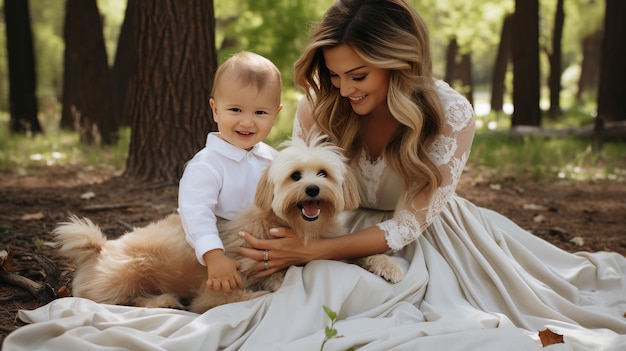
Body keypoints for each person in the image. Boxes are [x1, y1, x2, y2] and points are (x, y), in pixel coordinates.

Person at [4, 1, 625, 350]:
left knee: (442, 318)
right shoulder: (317, 107)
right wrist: (280, 245)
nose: (345, 89)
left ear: (397, 66)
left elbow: (410, 222)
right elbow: (295, 188)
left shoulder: (449, 111)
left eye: (361, 76)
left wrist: (317, 250)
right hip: (328, 224)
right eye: (335, 75)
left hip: (430, 238)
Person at [178, 51, 282, 294]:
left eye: (260, 113)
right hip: (221, 250)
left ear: (275, 116)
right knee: (224, 291)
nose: (247, 122)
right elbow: (196, 213)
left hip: (263, 250)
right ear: (215, 110)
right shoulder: (207, 164)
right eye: (235, 110)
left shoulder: (273, 160)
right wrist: (213, 256)